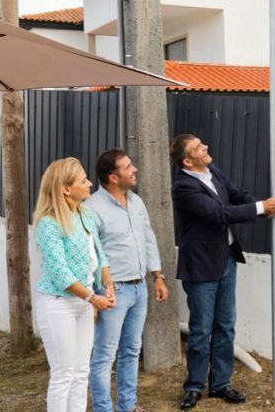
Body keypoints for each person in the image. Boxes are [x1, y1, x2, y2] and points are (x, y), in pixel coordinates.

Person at [169, 134, 275, 410]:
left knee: (225, 326)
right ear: (187, 161)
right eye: (198, 147)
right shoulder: (183, 187)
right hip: (200, 267)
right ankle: (194, 386)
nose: (205, 147)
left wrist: (262, 208)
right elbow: (218, 213)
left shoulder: (213, 171)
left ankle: (220, 384)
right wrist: (261, 207)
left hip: (226, 261)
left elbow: (237, 194)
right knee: (200, 330)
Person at [86, 148, 169, 412]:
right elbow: (90, 256)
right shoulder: (91, 209)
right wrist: (92, 297)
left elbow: (148, 238)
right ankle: (103, 409)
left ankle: (128, 406)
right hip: (112, 292)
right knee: (104, 356)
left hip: (139, 288)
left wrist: (157, 277)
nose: (134, 170)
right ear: (113, 176)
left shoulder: (136, 201)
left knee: (132, 351)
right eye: (128, 166)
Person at [33, 157, 116, 412]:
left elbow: (99, 254)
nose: (90, 183)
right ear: (65, 189)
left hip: (82, 303)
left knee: (81, 372)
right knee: (63, 374)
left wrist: (108, 283)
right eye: (83, 180)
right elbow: (60, 273)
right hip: (58, 305)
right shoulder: (48, 223)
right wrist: (92, 298)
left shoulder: (84, 214)